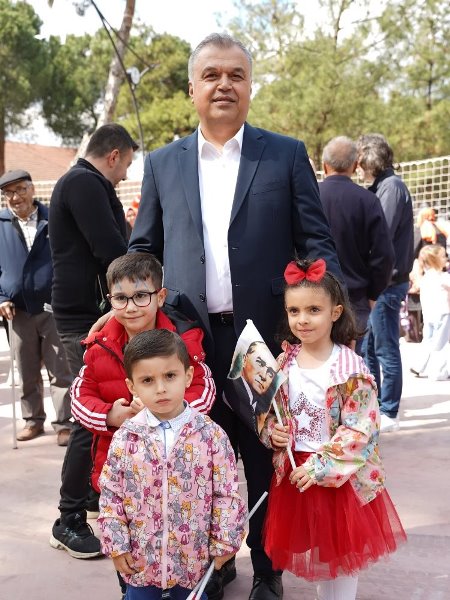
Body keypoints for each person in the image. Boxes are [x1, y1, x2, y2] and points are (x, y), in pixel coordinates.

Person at [128, 33, 342, 600]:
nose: (224, 84)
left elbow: (317, 243)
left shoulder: (285, 155)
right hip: (189, 344)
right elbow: (144, 249)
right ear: (192, 88)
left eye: (236, 75)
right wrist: (129, 313)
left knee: (265, 455)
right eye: (212, 75)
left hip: (265, 341)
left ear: (250, 86)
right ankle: (212, 565)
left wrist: (331, 321)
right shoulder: (162, 163)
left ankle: (267, 569)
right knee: (200, 457)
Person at [64, 252, 215, 597]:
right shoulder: (99, 345)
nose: (131, 307)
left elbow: (204, 389)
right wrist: (111, 416)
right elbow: (79, 397)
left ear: (160, 296)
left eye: (141, 296)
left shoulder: (184, 339)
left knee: (186, 557)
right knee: (132, 565)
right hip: (126, 480)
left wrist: (166, 413)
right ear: (110, 300)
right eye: (120, 298)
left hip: (182, 480)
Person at [260, 258, 407, 600]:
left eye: (314, 310)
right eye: (294, 311)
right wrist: (273, 433)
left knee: (341, 558)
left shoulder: (350, 369)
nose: (303, 319)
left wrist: (320, 467)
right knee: (321, 554)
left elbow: (360, 430)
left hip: (337, 477)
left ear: (335, 312)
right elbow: (270, 412)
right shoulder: (284, 363)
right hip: (297, 473)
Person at [98, 328, 247, 600]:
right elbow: (111, 495)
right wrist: (116, 544)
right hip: (141, 560)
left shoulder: (211, 435)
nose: (161, 388)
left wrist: (225, 540)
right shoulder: (126, 438)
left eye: (170, 376)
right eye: (147, 380)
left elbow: (226, 494)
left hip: (193, 559)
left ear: (187, 376)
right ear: (132, 386)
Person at [48, 124, 138, 559]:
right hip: (85, 317)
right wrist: (140, 287)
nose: (126, 175)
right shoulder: (84, 183)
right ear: (114, 155)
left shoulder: (83, 183)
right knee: (90, 416)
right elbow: (112, 251)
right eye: (127, 165)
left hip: (90, 311)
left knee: (102, 406)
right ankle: (67, 519)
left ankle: (87, 495)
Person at [0, 169, 72, 445]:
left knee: (60, 369)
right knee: (26, 370)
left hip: (52, 307)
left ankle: (64, 423)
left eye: (20, 189)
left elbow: (68, 257)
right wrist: (1, 298)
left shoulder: (53, 218)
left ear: (31, 189)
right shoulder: (1, 223)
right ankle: (33, 420)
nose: (15, 197)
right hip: (17, 310)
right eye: (8, 193)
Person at [357, 134, 414, 433]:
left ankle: (389, 409)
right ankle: (379, 407)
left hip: (388, 284)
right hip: (382, 283)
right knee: (371, 349)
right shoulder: (384, 187)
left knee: (385, 348)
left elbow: (381, 236)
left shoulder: (391, 187)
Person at [319, 136, 395, 354]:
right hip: (355, 299)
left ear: (325, 165)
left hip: (314, 296)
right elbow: (384, 255)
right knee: (350, 364)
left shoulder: (310, 196)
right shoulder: (367, 200)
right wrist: (372, 294)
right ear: (354, 165)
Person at [410, 245, 450, 380]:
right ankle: (438, 372)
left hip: (429, 315)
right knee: (441, 344)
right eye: (443, 256)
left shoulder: (425, 278)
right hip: (443, 314)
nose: (446, 259)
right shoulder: (443, 277)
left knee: (428, 341)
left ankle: (419, 365)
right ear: (435, 260)